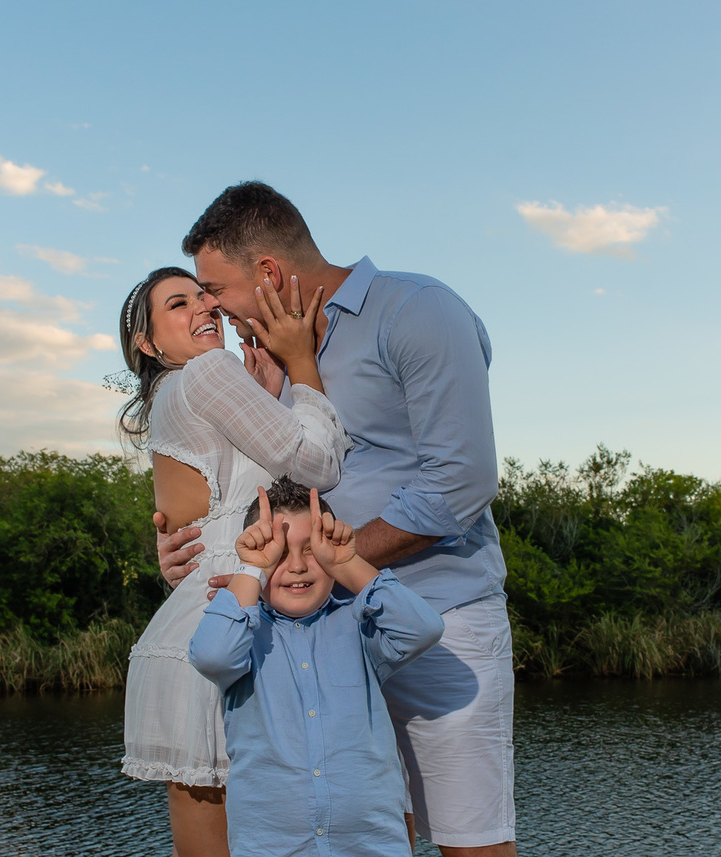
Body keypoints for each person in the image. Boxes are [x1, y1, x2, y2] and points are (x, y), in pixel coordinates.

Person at [162, 181, 517, 856]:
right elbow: (254, 490)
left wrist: (336, 558)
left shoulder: (418, 311)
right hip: (310, 638)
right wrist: (183, 550)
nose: (210, 305)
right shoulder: (263, 359)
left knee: (471, 840)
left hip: (440, 612)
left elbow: (460, 482)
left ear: (268, 273)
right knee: (366, 831)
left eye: (216, 287)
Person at [116, 265, 351, 857]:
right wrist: (302, 366)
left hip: (198, 610)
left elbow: (199, 513)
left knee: (204, 833)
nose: (203, 308)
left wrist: (265, 396)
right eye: (178, 304)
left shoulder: (167, 398)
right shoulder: (208, 371)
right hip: (234, 612)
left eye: (203, 296)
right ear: (148, 343)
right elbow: (318, 467)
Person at [189, 478, 444, 857]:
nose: (295, 566)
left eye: (312, 550)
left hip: (371, 845)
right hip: (272, 847)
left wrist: (348, 563)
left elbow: (423, 628)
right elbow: (211, 654)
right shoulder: (246, 635)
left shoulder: (358, 625)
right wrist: (251, 569)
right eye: (276, 554)